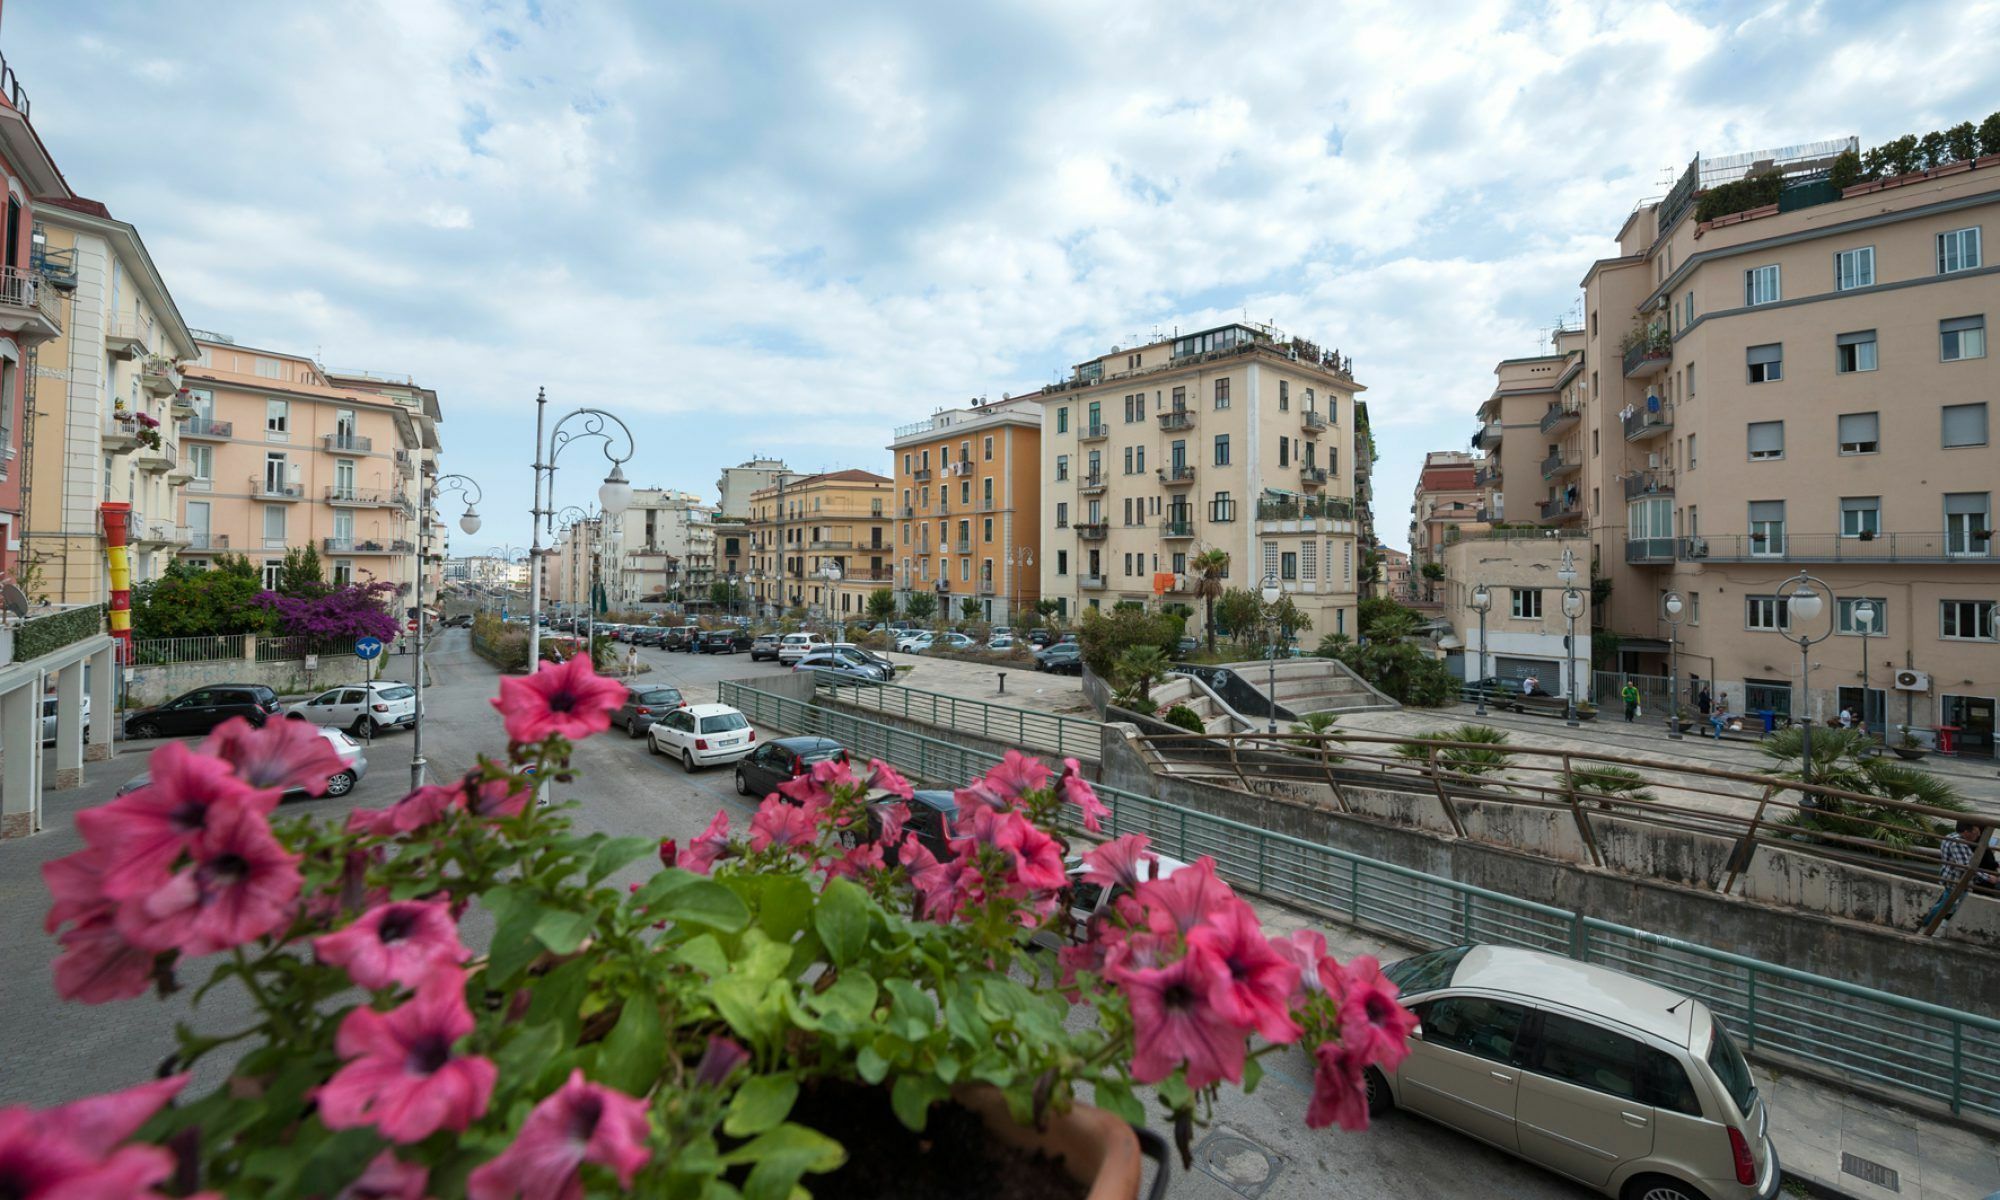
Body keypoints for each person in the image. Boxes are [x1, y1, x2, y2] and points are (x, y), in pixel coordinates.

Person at [1923, 820, 1996, 930]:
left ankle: (1929, 923)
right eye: (1976, 832)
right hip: (1955, 879)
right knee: (1947, 904)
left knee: (1947, 902)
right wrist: (1987, 877)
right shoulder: (1959, 843)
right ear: (1967, 832)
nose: (1979, 835)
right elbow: (1965, 866)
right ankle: (1926, 923)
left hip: (1948, 876)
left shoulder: (1950, 836)